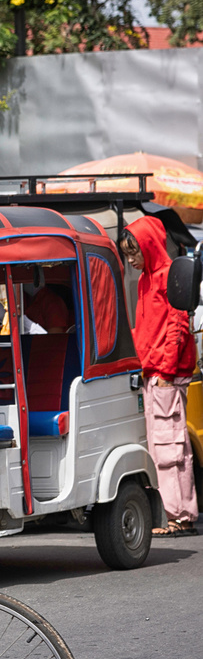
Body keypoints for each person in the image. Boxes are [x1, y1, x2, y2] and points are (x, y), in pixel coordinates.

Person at [120, 218, 198, 536]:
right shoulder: (144, 280)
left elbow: (177, 327)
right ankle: (172, 512)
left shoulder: (167, 277)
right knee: (160, 445)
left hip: (165, 375)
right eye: (127, 255)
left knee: (170, 447)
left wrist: (165, 371)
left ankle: (179, 515)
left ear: (149, 246)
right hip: (154, 374)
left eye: (134, 252)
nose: (131, 260)